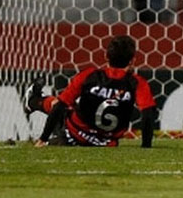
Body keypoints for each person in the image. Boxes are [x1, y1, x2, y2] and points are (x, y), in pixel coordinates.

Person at [24, 35, 156, 148]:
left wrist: (43, 138)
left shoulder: (89, 75)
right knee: (68, 109)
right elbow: (148, 115)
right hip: (106, 143)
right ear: (133, 60)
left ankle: (33, 101)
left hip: (74, 134)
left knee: (61, 104)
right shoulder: (137, 82)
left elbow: (60, 106)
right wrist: (146, 146)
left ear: (106, 56)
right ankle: (37, 111)